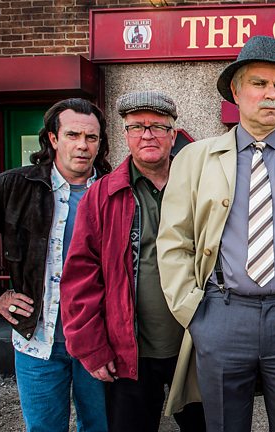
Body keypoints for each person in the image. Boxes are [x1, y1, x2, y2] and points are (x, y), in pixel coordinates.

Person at [156, 35, 275, 432]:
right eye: (259, 84)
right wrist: (194, 312)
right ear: (236, 92)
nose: (271, 94)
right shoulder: (194, 159)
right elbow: (174, 241)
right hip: (221, 314)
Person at [0, 98, 111, 432]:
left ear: (100, 142)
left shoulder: (113, 190)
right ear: (53, 139)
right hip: (38, 340)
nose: (82, 145)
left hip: (98, 339)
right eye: (73, 135)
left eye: (91, 137)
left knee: (103, 427)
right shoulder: (15, 187)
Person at [59, 91, 206, 431]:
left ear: (173, 134)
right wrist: (92, 348)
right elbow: (81, 276)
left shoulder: (200, 187)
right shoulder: (102, 194)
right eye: (137, 126)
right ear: (125, 134)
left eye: (157, 126)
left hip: (194, 345)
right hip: (128, 351)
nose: (147, 134)